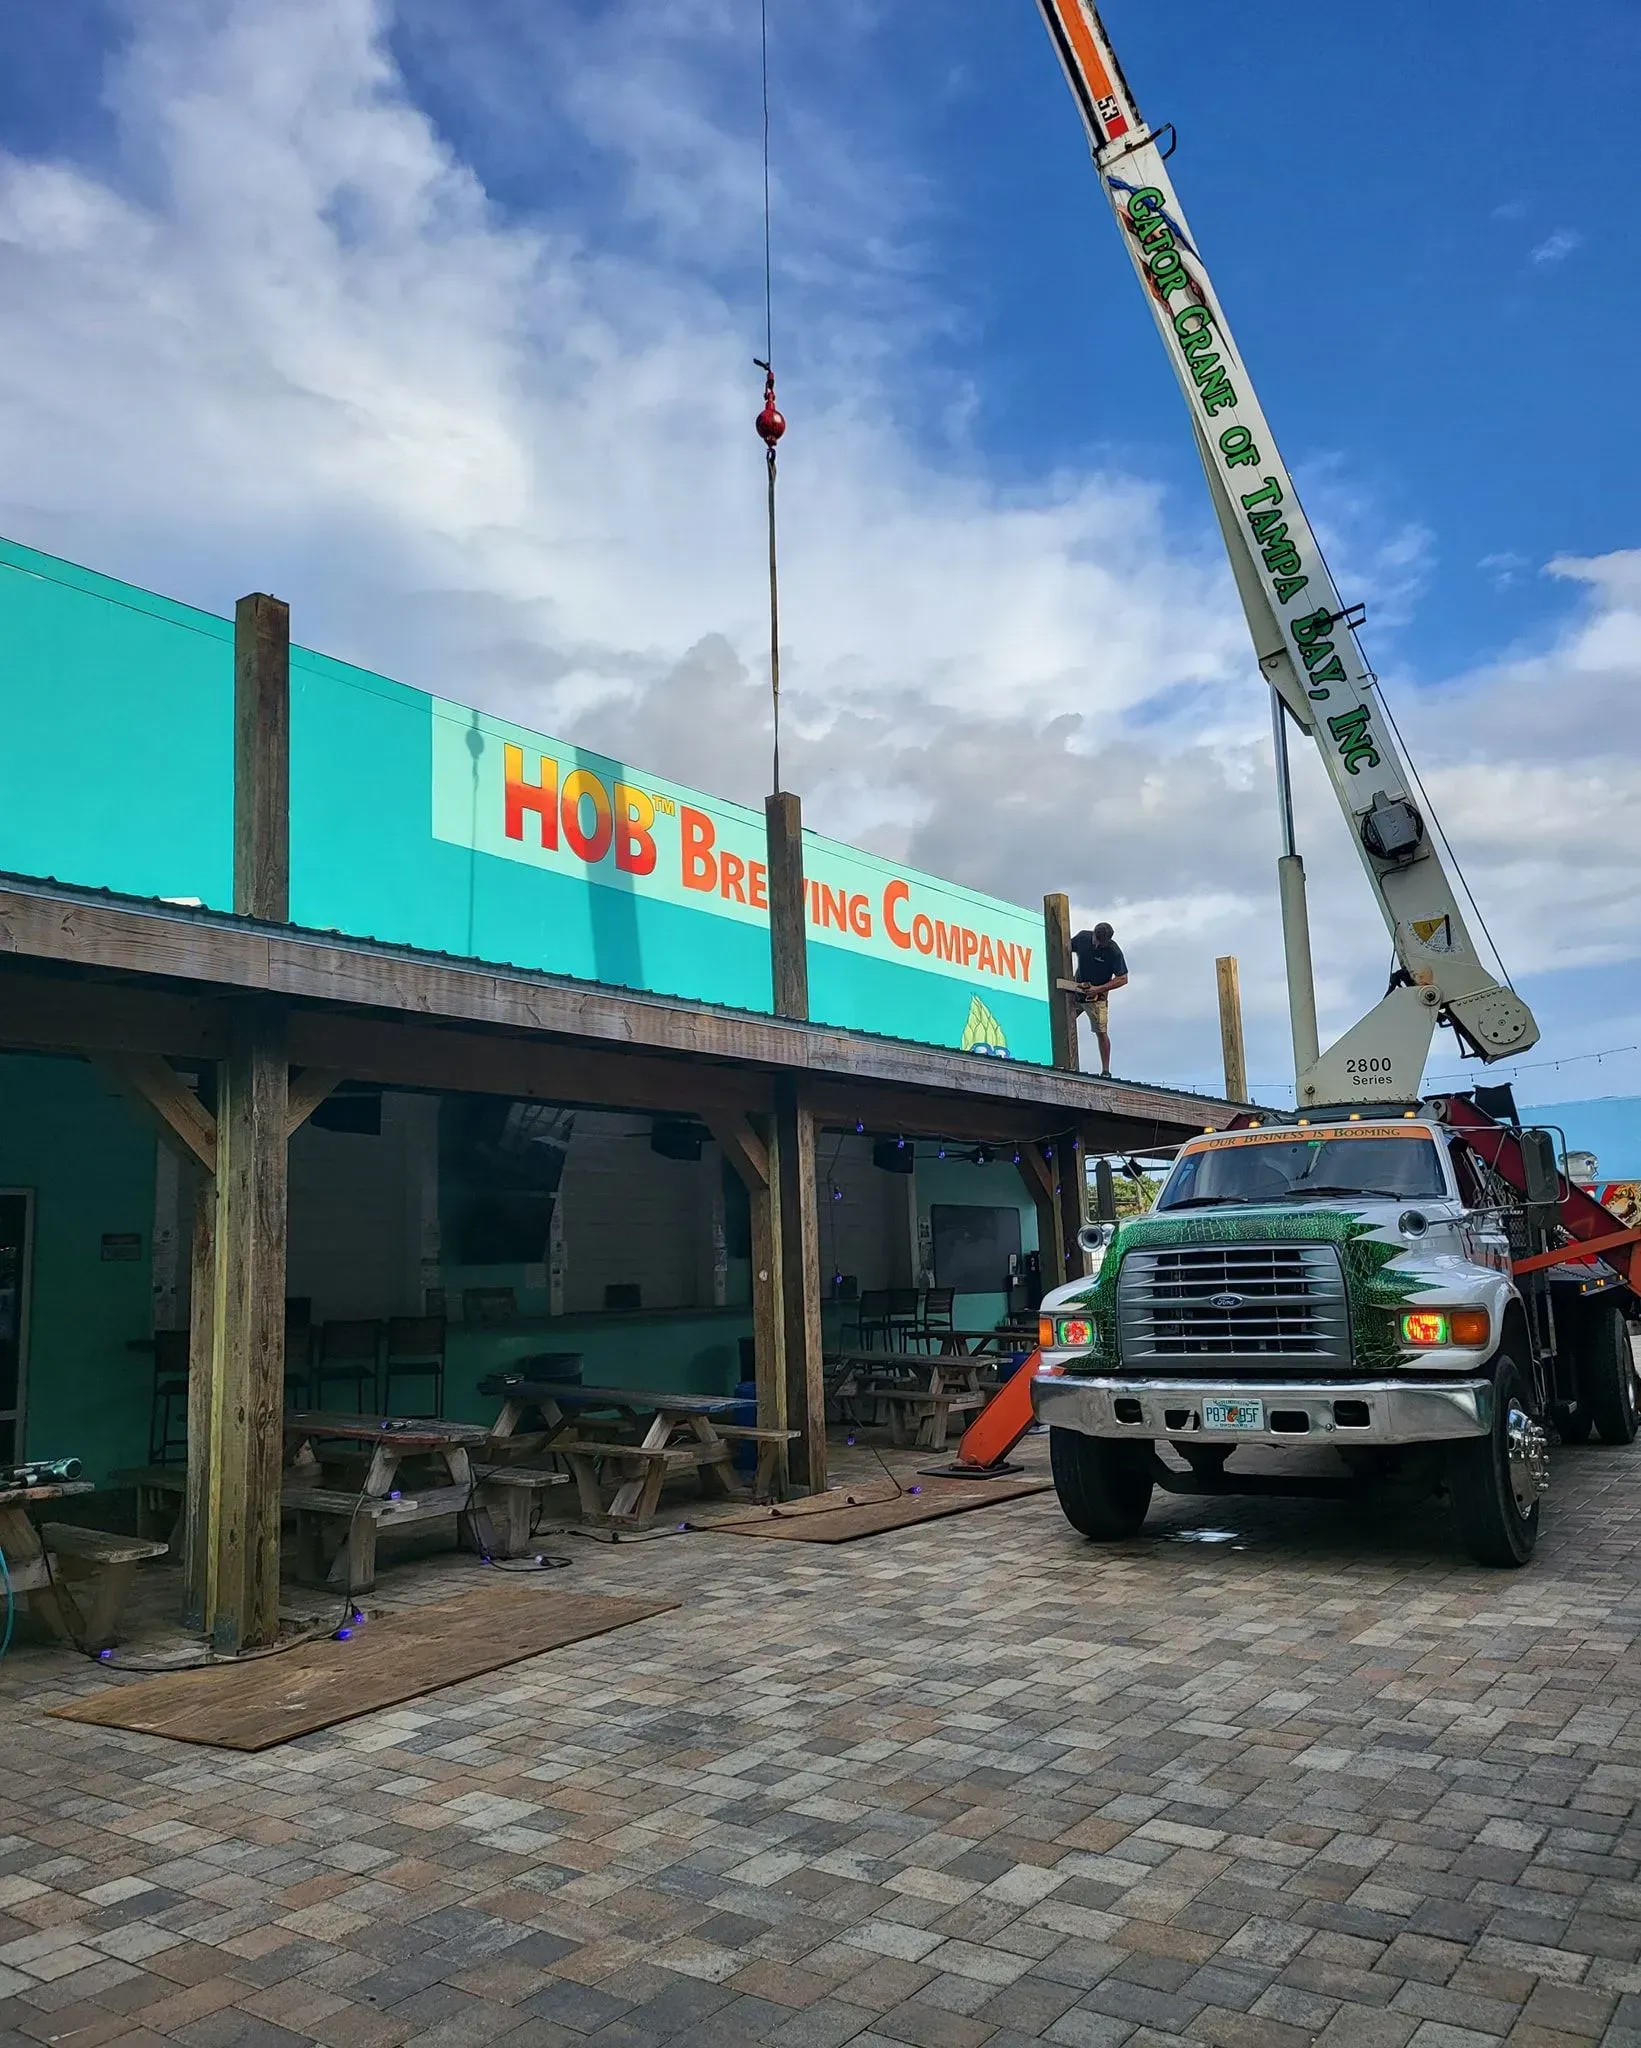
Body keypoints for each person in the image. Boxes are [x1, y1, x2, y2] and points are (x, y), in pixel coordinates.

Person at [1070, 921, 1128, 1077]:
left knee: (1101, 1031)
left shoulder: (1114, 951)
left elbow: (1122, 978)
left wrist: (1099, 989)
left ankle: (1105, 1070)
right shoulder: (1083, 938)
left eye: (1101, 944)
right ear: (1093, 934)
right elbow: (1064, 949)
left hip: (1097, 997)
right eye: (1096, 941)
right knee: (1062, 1022)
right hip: (1076, 990)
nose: (1097, 945)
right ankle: (1062, 1062)